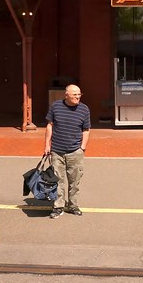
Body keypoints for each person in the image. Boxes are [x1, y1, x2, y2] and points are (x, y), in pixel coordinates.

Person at [44, 84, 90, 219]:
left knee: (75, 180)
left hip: (75, 151)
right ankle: (58, 206)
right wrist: (47, 145)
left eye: (79, 94)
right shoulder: (56, 106)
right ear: (66, 95)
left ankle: (73, 205)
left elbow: (86, 130)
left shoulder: (84, 109)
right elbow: (49, 125)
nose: (77, 97)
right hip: (57, 150)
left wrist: (82, 147)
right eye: (74, 94)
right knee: (58, 180)